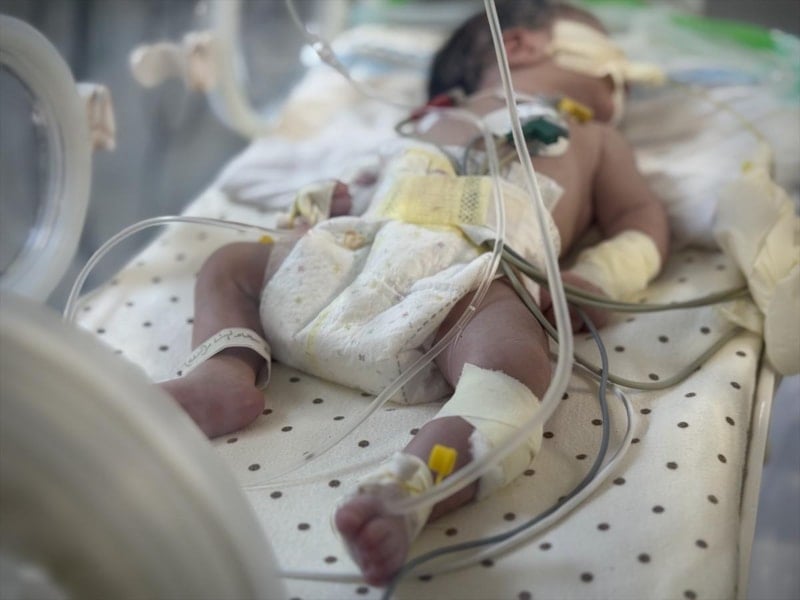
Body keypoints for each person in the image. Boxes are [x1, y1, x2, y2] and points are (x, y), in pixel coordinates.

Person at [160, 0, 670, 587]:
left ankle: (418, 483)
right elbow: (368, 185)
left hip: (467, 288)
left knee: (517, 360)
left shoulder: (595, 139)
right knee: (229, 265)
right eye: (610, 64)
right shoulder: (429, 120)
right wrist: (328, 204)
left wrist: (601, 276)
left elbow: (640, 218)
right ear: (521, 45)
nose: (622, 83)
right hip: (355, 259)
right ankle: (224, 373)